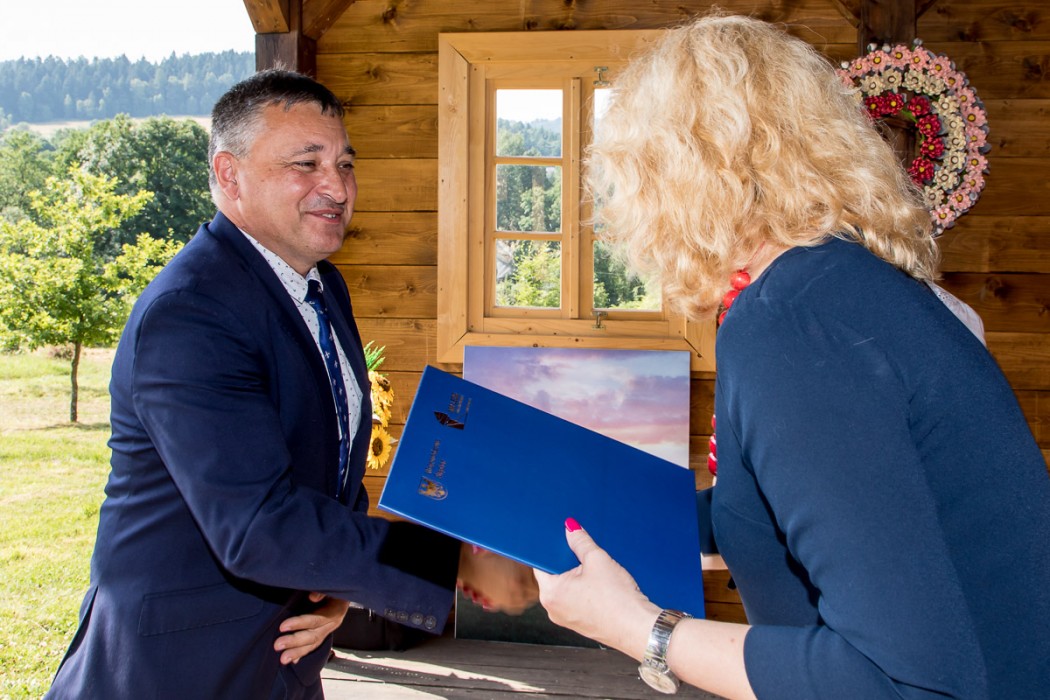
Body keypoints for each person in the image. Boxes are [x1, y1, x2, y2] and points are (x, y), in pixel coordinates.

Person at [534, 14, 1050, 699]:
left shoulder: (789, 323)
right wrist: (593, 512)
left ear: (673, 176)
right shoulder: (848, 286)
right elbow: (799, 513)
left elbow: (899, 683)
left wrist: (639, 629)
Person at [46, 69, 537, 699]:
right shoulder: (190, 312)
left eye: (345, 164)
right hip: (180, 668)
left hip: (284, 660)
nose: (337, 186)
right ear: (229, 175)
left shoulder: (321, 284)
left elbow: (329, 465)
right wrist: (457, 563)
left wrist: (340, 590)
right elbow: (257, 524)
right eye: (306, 164)